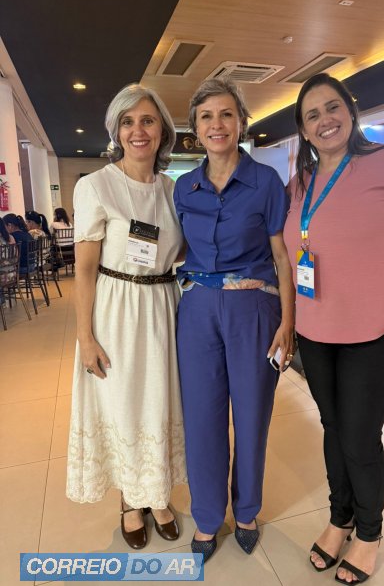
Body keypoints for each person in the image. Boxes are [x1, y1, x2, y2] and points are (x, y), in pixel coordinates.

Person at [283, 72, 384, 584]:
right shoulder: (300, 183)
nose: (325, 120)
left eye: (332, 107)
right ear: (303, 129)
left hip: (376, 335)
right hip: (316, 333)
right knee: (334, 430)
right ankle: (340, 518)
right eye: (312, 115)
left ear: (350, 112)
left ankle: (369, 533)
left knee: (358, 437)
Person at [174, 78, 295, 563]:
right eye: (206, 116)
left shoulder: (266, 182)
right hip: (198, 309)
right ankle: (207, 517)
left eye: (226, 114)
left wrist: (287, 322)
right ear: (195, 128)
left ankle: (246, 511)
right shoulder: (184, 187)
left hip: (254, 309)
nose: (217, 124)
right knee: (202, 417)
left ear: (242, 122)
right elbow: (175, 248)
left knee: (251, 414)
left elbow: (282, 258)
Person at [66, 83, 187, 549]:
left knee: (159, 402)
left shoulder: (173, 190)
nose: (138, 130)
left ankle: (158, 495)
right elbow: (84, 268)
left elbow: (181, 252)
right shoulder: (96, 186)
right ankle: (130, 502)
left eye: (148, 120)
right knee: (123, 404)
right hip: (116, 311)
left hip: (163, 307)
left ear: (163, 131)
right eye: (128, 122)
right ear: (116, 131)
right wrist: (85, 336)